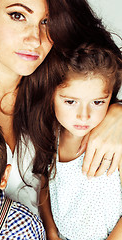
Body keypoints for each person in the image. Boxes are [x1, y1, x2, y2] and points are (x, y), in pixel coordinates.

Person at [0, 0, 122, 237]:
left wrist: (117, 112)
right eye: (17, 15)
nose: (35, 38)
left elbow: (99, 78)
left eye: (47, 22)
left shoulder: (56, 94)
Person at [34, 44, 122, 240]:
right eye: (70, 102)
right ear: (52, 96)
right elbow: (45, 186)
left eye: (97, 102)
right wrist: (51, 232)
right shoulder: (53, 135)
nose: (84, 116)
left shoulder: (115, 143)